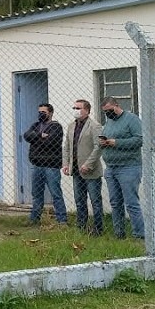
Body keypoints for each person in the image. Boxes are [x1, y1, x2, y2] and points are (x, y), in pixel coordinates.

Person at [98, 96, 145, 239]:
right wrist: (103, 142)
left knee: (131, 203)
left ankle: (139, 235)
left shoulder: (132, 119)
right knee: (115, 203)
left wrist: (116, 143)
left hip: (128, 167)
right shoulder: (109, 122)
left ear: (117, 106)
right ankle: (119, 233)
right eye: (105, 112)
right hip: (111, 167)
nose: (108, 114)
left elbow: (139, 140)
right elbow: (107, 137)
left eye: (109, 110)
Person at [62, 99, 104, 236]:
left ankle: (98, 229)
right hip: (75, 170)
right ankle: (81, 226)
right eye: (74, 107)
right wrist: (66, 164)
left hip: (90, 171)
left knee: (95, 201)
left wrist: (88, 164)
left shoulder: (95, 126)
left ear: (87, 110)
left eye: (78, 108)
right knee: (79, 201)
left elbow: (99, 147)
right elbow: (67, 147)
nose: (75, 110)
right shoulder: (71, 126)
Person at [23, 103, 66, 225]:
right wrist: (40, 135)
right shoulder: (36, 125)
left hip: (51, 166)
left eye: (43, 112)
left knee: (56, 194)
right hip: (37, 165)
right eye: (39, 111)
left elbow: (51, 142)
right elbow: (26, 136)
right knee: (36, 195)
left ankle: (62, 221)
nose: (41, 114)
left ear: (50, 113)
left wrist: (35, 139)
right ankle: (34, 219)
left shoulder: (56, 127)